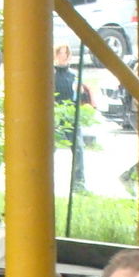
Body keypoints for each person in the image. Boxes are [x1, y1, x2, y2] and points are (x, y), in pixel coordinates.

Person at [52, 43, 92, 191]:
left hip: (71, 116)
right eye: (60, 53)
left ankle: (79, 183)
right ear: (55, 55)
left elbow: (82, 98)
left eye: (66, 53)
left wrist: (80, 92)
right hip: (55, 116)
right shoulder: (50, 75)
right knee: (49, 149)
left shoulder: (73, 76)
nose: (63, 56)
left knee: (78, 148)